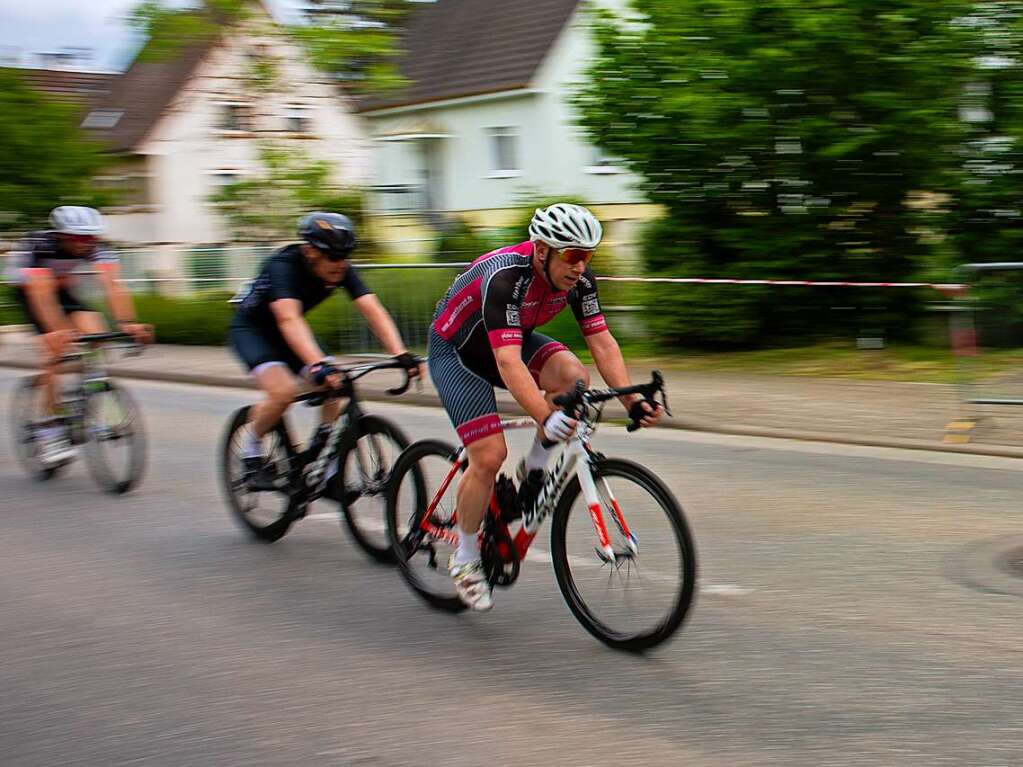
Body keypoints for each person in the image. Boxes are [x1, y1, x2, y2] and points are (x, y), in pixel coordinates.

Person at [428, 202, 664, 611]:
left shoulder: (579, 281)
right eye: (572, 255)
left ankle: (534, 470)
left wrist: (632, 399)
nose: (580, 266)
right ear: (542, 251)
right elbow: (507, 362)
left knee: (573, 379)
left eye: (587, 256)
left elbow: (602, 342)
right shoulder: (505, 277)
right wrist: (545, 415)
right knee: (488, 456)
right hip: (457, 351)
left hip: (507, 341)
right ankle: (465, 557)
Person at [229, 211, 421, 486]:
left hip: (290, 333)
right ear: (310, 251)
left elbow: (372, 309)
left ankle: (327, 467)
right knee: (282, 393)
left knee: (337, 385)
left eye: (346, 256)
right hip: (253, 331)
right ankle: (251, 449)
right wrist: (317, 364)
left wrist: (400, 353)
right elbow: (287, 317)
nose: (340, 264)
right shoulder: (282, 266)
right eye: (333, 257)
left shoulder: (340, 267)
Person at [6, 206, 153, 465]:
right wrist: (56, 331)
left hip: (62, 290)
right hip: (31, 293)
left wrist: (128, 323)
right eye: (79, 238)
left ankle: (94, 386)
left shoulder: (98, 247)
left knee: (95, 331)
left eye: (91, 238)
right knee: (55, 350)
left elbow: (113, 285)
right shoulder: (40, 245)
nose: (86, 244)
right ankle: (51, 429)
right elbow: (40, 294)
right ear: (62, 235)